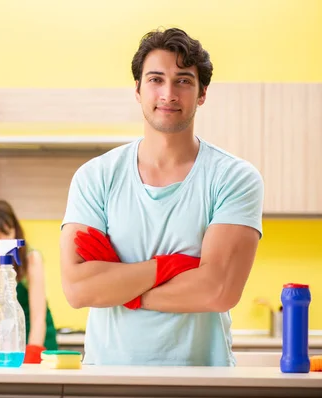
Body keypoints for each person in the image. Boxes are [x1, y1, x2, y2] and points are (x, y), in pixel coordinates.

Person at [60, 27, 264, 366]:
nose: (168, 93)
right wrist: (172, 267)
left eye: (183, 81)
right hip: (106, 381)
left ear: (202, 94)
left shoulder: (234, 178)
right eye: (156, 79)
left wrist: (123, 290)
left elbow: (218, 291)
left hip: (201, 381)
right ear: (138, 90)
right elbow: (79, 290)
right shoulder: (95, 178)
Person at [0, 199, 58, 363]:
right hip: (9, 342)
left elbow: (38, 316)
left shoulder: (31, 259)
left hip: (37, 338)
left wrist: (33, 350)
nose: (3, 241)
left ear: (15, 230)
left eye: (7, 233)